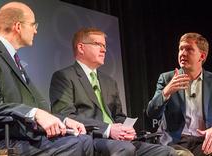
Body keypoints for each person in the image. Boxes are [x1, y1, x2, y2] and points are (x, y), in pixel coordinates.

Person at [0, 2, 93, 155]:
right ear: (18, 26)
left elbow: (35, 106)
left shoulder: (12, 58)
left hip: (17, 134)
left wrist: (64, 121)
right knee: (74, 144)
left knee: (85, 139)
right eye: (33, 24)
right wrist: (35, 113)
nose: (35, 30)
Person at [49, 27, 177, 156]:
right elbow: (65, 116)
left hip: (118, 141)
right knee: (125, 150)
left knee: (167, 152)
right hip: (91, 140)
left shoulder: (109, 81)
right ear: (81, 48)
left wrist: (126, 128)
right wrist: (108, 129)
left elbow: (117, 116)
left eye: (104, 45)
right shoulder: (64, 77)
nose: (104, 50)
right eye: (97, 44)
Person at [146, 32, 212, 156]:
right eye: (181, 49)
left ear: (202, 56)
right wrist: (166, 92)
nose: (183, 53)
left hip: (203, 143)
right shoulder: (167, 78)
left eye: (189, 49)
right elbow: (151, 113)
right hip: (174, 142)